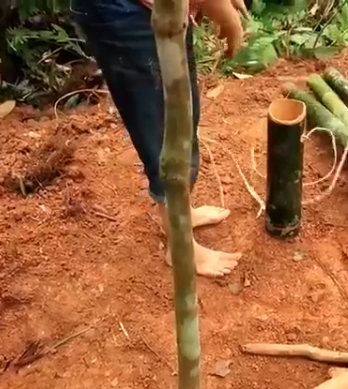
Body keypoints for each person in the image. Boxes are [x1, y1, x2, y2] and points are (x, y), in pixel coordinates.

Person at [72, 0, 247, 277]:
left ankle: (180, 214)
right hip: (123, 9)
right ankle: (180, 246)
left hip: (161, 7)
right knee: (161, 125)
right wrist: (225, 15)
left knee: (182, 112)